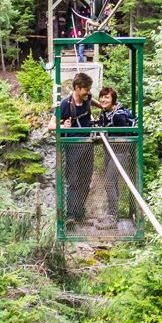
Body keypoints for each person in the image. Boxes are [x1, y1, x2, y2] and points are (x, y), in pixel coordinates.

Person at [58, 72, 95, 227]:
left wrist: (106, 105)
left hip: (88, 145)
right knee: (73, 181)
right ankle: (70, 215)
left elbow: (93, 101)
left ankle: (80, 213)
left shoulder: (87, 98)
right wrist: (62, 126)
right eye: (86, 89)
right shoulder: (65, 104)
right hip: (73, 147)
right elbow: (51, 125)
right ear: (77, 88)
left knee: (86, 181)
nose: (88, 92)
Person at [96, 86, 135, 229]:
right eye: (102, 97)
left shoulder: (119, 115)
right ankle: (112, 214)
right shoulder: (104, 112)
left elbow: (121, 136)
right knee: (113, 183)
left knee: (109, 182)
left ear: (113, 99)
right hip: (109, 151)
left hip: (120, 152)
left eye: (107, 97)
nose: (103, 100)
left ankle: (112, 216)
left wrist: (104, 134)